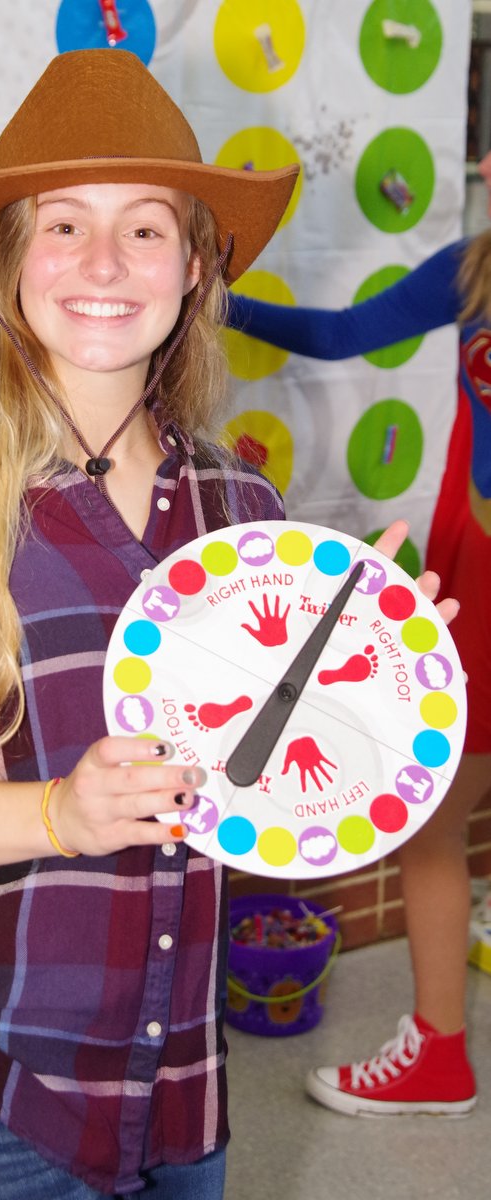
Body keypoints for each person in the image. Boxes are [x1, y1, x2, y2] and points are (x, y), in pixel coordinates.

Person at [0, 49, 454, 1198]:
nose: (103, 261)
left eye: (143, 228)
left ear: (196, 267)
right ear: (2, 263)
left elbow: (263, 788)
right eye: (62, 224)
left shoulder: (245, 514)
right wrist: (57, 812)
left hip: (181, 1073)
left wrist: (374, 693)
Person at [227, 153, 491, 1118]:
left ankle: (439, 1058)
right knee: (431, 818)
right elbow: (340, 334)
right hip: (477, 571)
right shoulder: (473, 266)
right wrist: (214, 302)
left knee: (430, 823)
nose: (485, 161)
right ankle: (437, 1052)